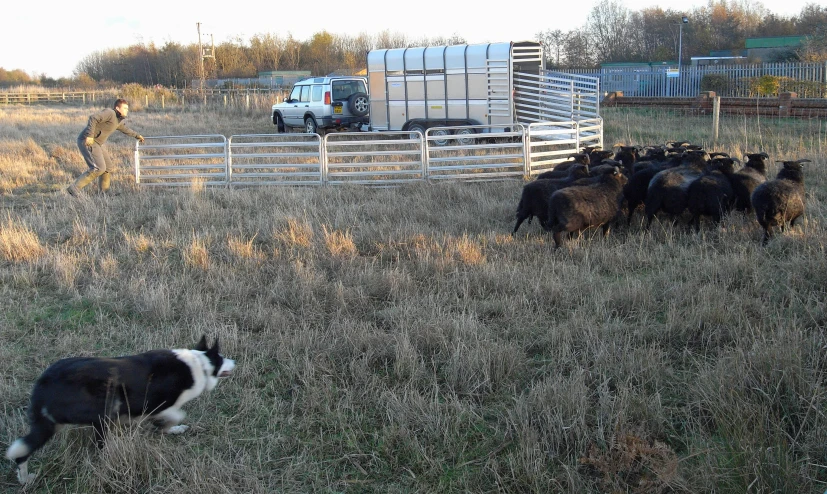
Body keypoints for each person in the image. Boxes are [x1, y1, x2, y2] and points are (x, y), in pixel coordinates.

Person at [67, 98, 144, 196]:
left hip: (98, 143)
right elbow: (93, 118)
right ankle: (74, 188)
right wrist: (90, 136)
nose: (127, 110)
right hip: (87, 141)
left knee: (108, 167)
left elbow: (125, 129)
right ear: (117, 108)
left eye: (127, 109)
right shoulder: (110, 113)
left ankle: (103, 193)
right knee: (99, 168)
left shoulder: (118, 120)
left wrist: (137, 135)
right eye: (125, 108)